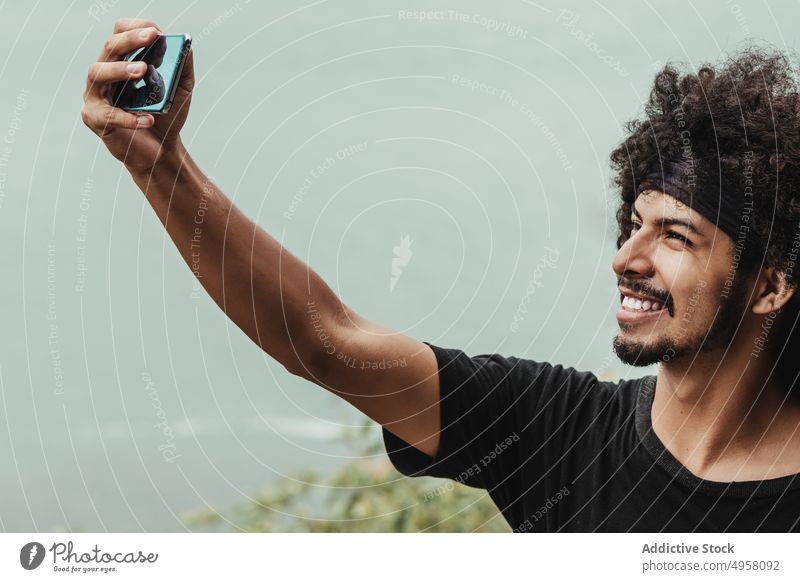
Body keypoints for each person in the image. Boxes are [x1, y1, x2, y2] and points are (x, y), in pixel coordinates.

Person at [82, 20, 800, 532]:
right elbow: (325, 338)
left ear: (771, 285)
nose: (626, 257)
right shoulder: (560, 436)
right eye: (633, 223)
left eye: (675, 235)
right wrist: (158, 164)